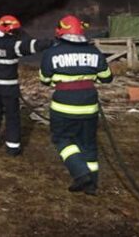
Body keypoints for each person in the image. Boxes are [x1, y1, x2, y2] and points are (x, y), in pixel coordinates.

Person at [39, 15, 113, 195]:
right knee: (88, 144)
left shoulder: (52, 53)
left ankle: (80, 173)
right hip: (89, 106)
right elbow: (107, 78)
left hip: (63, 106)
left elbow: (44, 80)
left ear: (60, 33)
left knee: (62, 140)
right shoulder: (94, 52)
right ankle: (91, 185)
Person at [0, 15, 52, 156]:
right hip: (9, 87)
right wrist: (52, 43)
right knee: (12, 116)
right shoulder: (12, 45)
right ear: (9, 31)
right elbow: (32, 46)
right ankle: (13, 148)